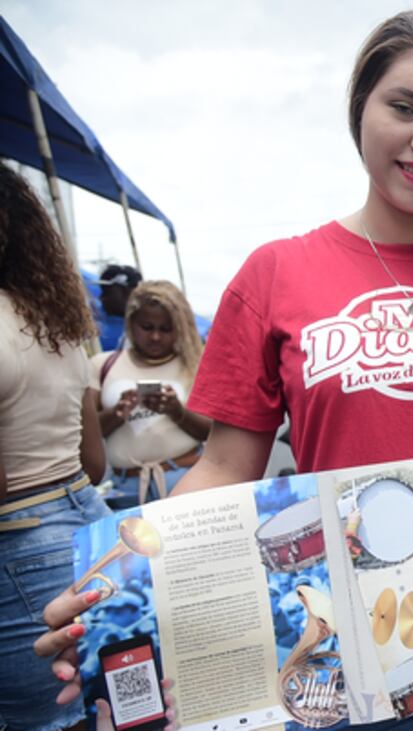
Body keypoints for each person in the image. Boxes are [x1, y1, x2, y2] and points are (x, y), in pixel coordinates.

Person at [36, 10, 413, 731]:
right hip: (358, 645)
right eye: (405, 108)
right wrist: (111, 584)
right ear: (360, 107)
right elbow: (224, 466)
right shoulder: (277, 272)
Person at [0, 164, 110, 731]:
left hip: (19, 545)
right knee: (98, 710)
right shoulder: (55, 322)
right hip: (85, 523)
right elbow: (94, 463)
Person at [93, 280, 210, 509]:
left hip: (185, 480)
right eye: (147, 327)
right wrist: (117, 413)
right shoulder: (101, 366)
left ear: (179, 327)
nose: (155, 336)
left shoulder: (196, 365)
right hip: (125, 489)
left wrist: (176, 411)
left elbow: (213, 433)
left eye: (166, 329)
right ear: (131, 323)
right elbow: (86, 433)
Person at [95, 264, 142, 351]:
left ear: (127, 292)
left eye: (107, 291)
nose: (101, 297)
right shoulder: (94, 331)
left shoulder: (145, 332)